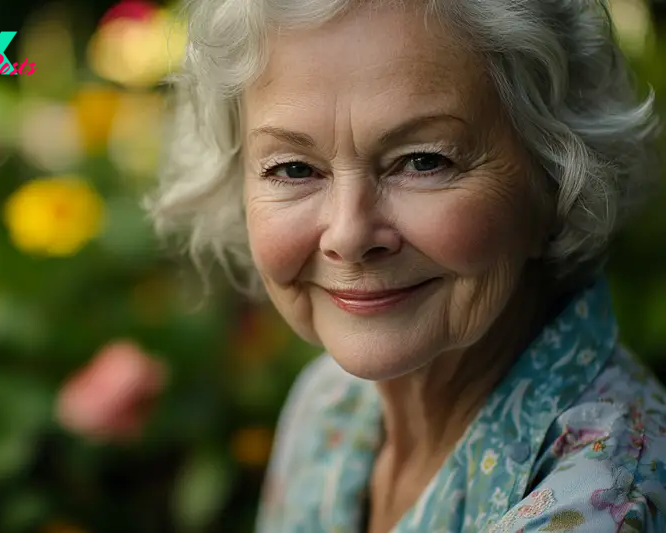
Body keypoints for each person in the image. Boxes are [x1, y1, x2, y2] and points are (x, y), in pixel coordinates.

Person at [141, 0, 665, 531]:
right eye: (294, 168)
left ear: (555, 180)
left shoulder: (605, 503)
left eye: (423, 161)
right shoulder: (329, 403)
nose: (348, 235)